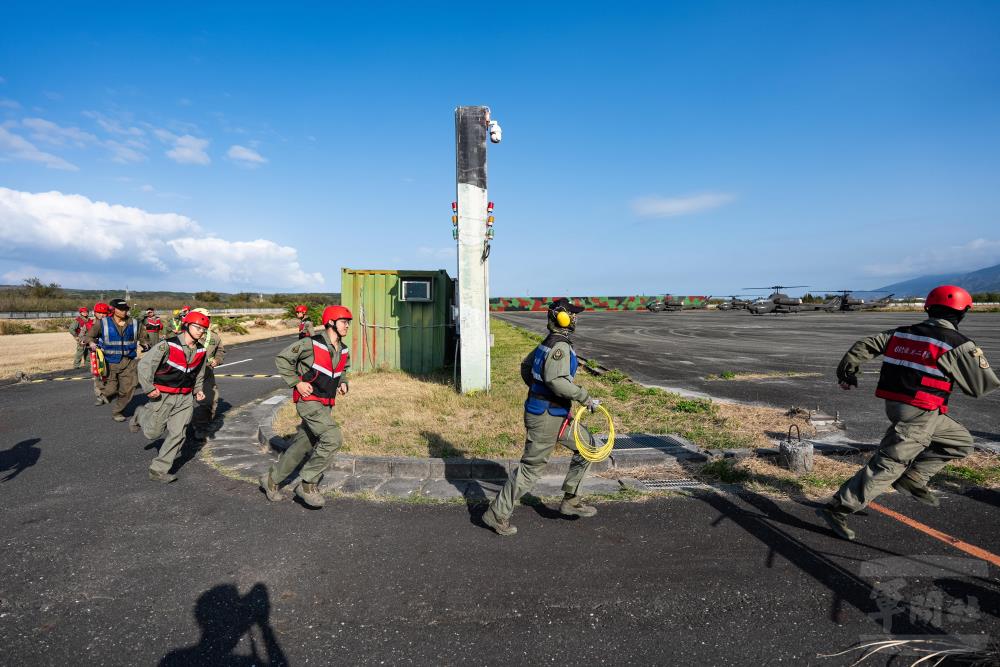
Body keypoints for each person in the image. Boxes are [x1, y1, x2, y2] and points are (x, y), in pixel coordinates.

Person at [817, 285, 1000, 541]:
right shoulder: (959, 344)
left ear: (928, 308)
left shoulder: (902, 333)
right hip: (920, 411)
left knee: (959, 442)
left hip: (902, 407)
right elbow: (980, 387)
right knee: (890, 463)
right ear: (963, 312)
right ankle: (839, 507)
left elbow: (864, 344)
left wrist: (847, 371)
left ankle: (913, 479)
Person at [482, 298, 601, 536]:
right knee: (531, 468)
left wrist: (538, 389)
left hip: (554, 413)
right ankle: (496, 514)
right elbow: (555, 381)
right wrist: (584, 397)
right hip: (546, 416)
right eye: (573, 315)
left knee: (588, 445)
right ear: (563, 318)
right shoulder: (560, 347)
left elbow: (526, 368)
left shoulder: (548, 343)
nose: (576, 318)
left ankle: (571, 500)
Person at [259, 305, 351, 508]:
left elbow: (342, 368)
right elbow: (282, 359)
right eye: (344, 322)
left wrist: (343, 381)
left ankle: (271, 480)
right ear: (331, 323)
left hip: (326, 404)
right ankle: (307, 484)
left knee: (302, 445)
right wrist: (296, 383)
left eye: (348, 322)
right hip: (308, 402)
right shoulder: (311, 344)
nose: (347, 326)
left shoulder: (343, 349)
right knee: (333, 438)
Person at [130, 310, 210, 483]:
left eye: (203, 329)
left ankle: (158, 470)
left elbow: (199, 373)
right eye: (197, 327)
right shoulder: (167, 345)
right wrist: (149, 388)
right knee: (153, 433)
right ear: (187, 326)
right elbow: (144, 365)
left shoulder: (201, 351)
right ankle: (140, 414)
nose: (200, 331)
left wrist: (198, 390)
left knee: (178, 434)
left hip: (185, 399)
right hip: (163, 396)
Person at [84, 298, 140, 421]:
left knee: (129, 388)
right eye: (121, 309)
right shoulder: (103, 323)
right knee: (111, 389)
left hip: (129, 362)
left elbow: (142, 336)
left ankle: (118, 412)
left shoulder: (134, 323)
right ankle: (103, 393)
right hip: (110, 362)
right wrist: (91, 343)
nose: (125, 311)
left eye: (126, 309)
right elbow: (89, 336)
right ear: (114, 310)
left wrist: (146, 343)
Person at [190, 308, 226, 439]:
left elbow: (221, 351)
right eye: (204, 317)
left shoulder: (214, 337)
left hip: (206, 372)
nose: (207, 320)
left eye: (208, 318)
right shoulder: (187, 335)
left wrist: (217, 360)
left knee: (210, 399)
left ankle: (201, 425)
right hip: (187, 373)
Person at [89, 302, 112, 404]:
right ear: (95, 313)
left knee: (110, 374)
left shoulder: (111, 325)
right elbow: (83, 337)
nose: (102, 315)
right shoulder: (89, 324)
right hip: (96, 354)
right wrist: (87, 342)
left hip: (110, 353)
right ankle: (99, 396)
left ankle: (109, 393)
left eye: (104, 313)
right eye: (99, 313)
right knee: (97, 375)